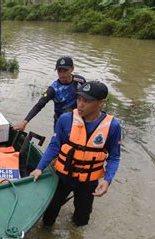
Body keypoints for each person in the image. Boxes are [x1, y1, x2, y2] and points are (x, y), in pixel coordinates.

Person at [30, 81, 121, 228]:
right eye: (79, 98)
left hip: (88, 182)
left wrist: (107, 180)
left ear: (101, 103)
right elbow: (54, 146)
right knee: (49, 214)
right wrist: (40, 167)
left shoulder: (112, 126)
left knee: (82, 220)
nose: (80, 104)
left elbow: (114, 156)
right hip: (62, 177)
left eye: (87, 101)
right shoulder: (66, 120)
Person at [14, 56, 85, 131]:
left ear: (72, 68)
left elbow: (88, 98)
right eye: (59, 71)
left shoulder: (80, 81)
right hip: (61, 122)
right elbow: (39, 104)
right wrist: (24, 122)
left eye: (65, 70)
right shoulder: (52, 89)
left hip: (79, 120)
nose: (62, 74)